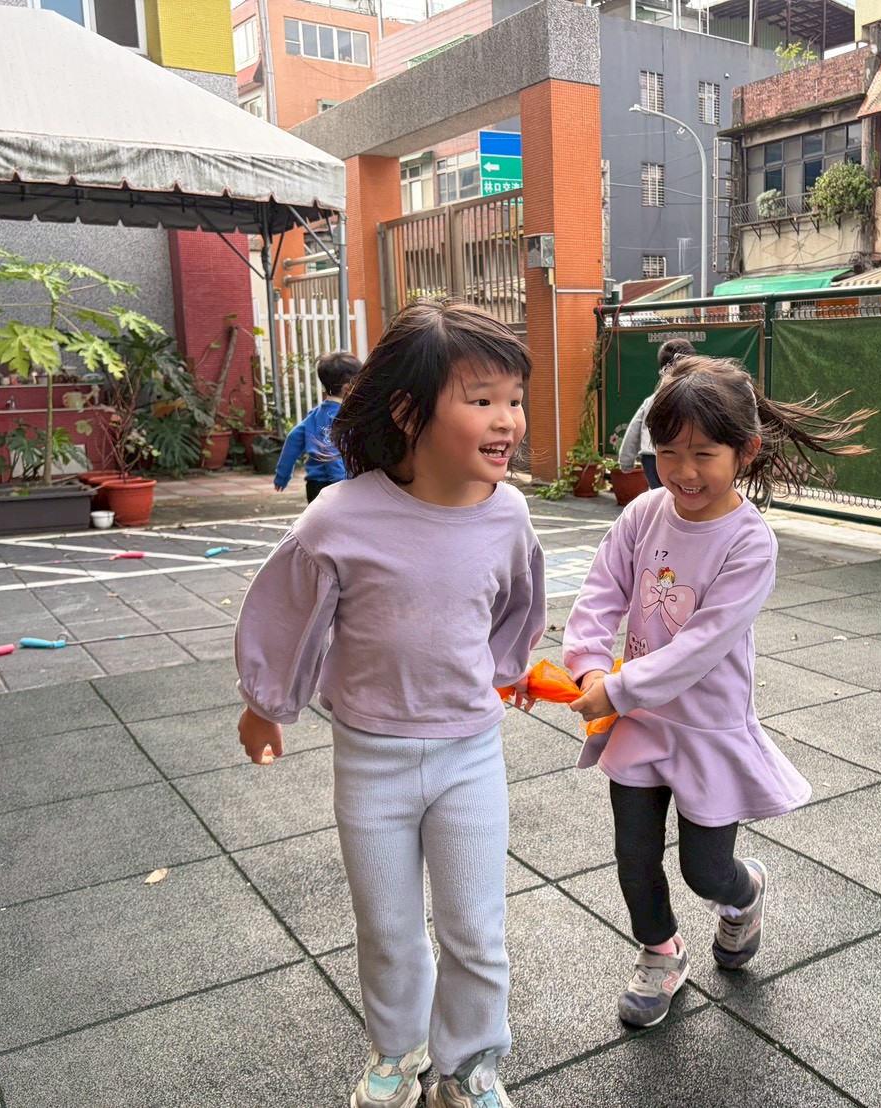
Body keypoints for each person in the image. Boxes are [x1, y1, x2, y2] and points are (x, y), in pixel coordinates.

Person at [235, 301, 545, 1108]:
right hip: (371, 761)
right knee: (388, 927)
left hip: (469, 755)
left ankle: (469, 1064)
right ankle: (398, 1052)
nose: (507, 420)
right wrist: (266, 703)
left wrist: (504, 668)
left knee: (475, 928)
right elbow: (288, 614)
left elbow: (518, 601)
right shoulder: (342, 515)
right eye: (481, 399)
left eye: (514, 398)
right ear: (408, 412)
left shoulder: (507, 513)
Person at [562, 356, 871, 1028]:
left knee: (706, 871)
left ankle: (743, 892)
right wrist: (587, 665)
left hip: (704, 726)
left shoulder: (749, 542)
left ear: (745, 451)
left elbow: (701, 645)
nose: (683, 471)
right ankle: (660, 951)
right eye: (668, 451)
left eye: (703, 453)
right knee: (634, 856)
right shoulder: (644, 513)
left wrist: (618, 687)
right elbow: (601, 591)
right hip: (639, 722)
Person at [274, 350, 362, 502]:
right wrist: (344, 484)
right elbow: (331, 454)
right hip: (332, 485)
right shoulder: (338, 417)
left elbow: (294, 438)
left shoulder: (316, 414)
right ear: (347, 388)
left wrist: (282, 475)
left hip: (315, 484)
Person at [617, 338, 695, 491]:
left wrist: (626, 461)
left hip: (650, 456)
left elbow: (635, 427)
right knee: (677, 495)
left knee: (661, 494)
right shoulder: (693, 397)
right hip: (677, 454)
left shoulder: (654, 399)